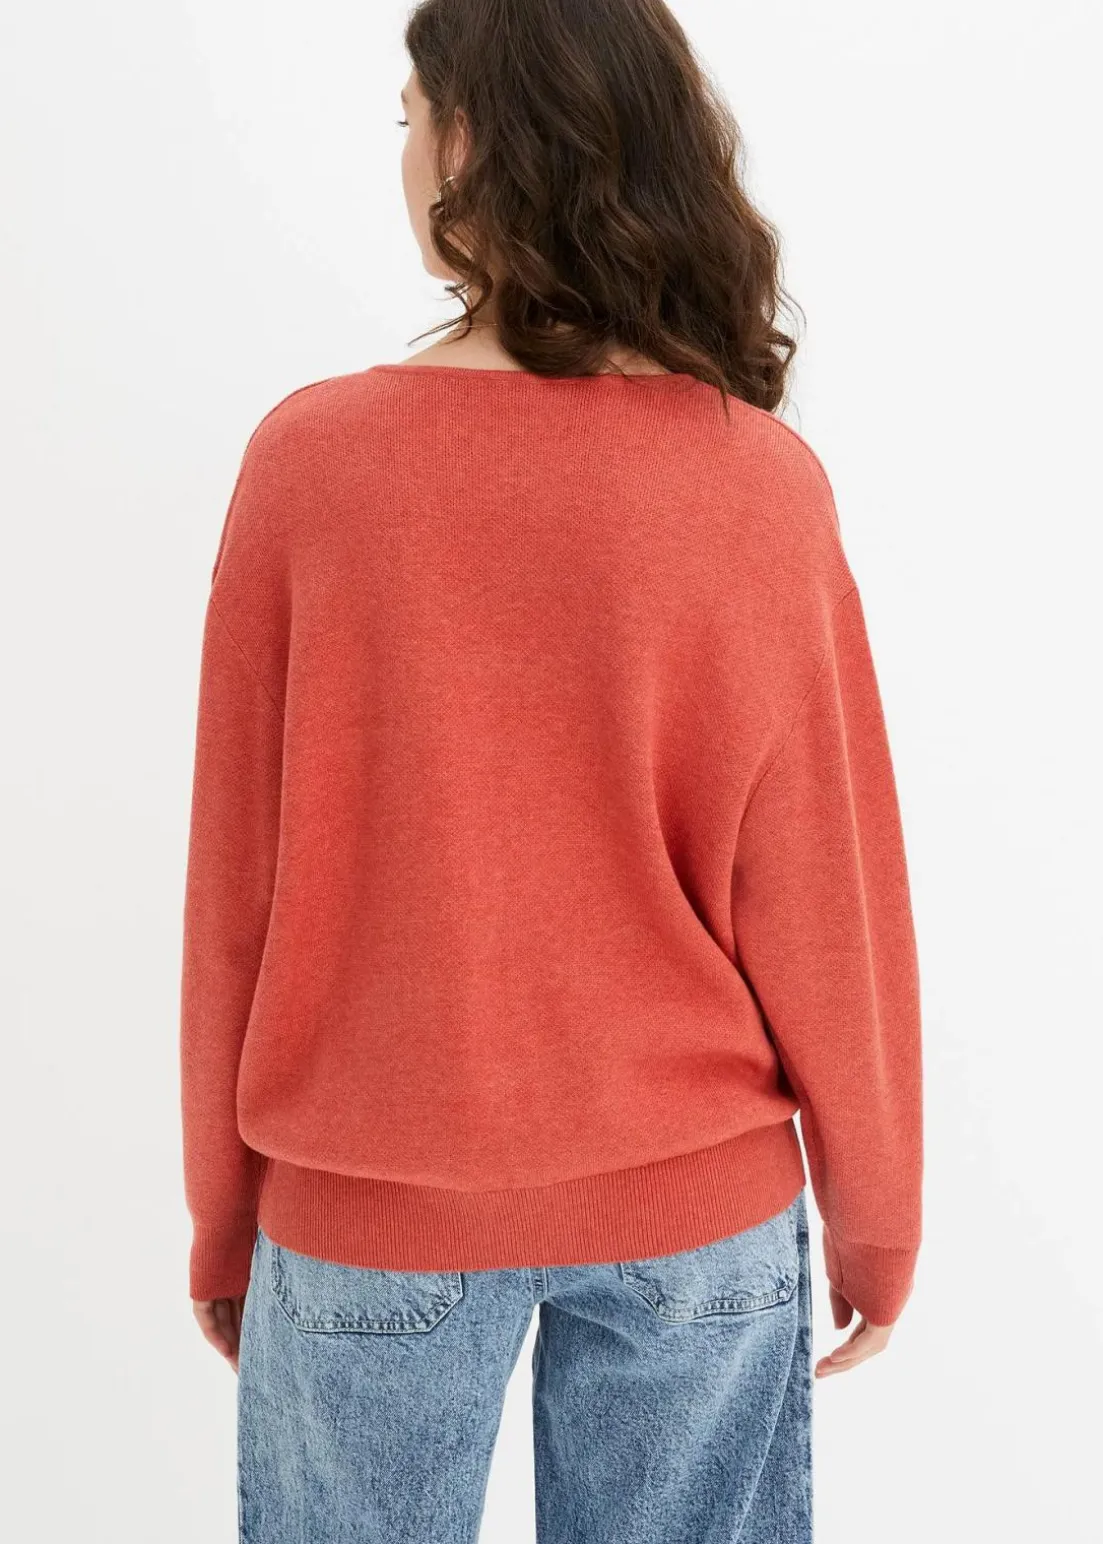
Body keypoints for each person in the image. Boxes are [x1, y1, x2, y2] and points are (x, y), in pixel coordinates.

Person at [180, 1, 923, 1539]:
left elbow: (237, 886)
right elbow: (823, 897)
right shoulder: (757, 482)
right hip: (697, 1212)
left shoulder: (310, 463)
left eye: (409, 121)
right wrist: (877, 1216)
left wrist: (224, 1213)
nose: (403, 156)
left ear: (469, 142)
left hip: (368, 1204)